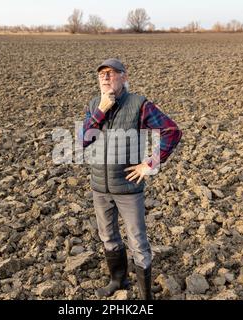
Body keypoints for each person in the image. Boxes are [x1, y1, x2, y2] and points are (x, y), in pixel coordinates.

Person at [80, 58, 182, 300]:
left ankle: (146, 297)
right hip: (100, 188)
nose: (105, 77)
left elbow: (171, 131)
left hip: (128, 188)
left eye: (111, 73)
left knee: (137, 241)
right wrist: (101, 110)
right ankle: (118, 279)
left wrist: (149, 164)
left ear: (124, 77)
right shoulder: (95, 104)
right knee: (108, 236)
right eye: (101, 74)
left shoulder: (139, 104)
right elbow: (83, 139)